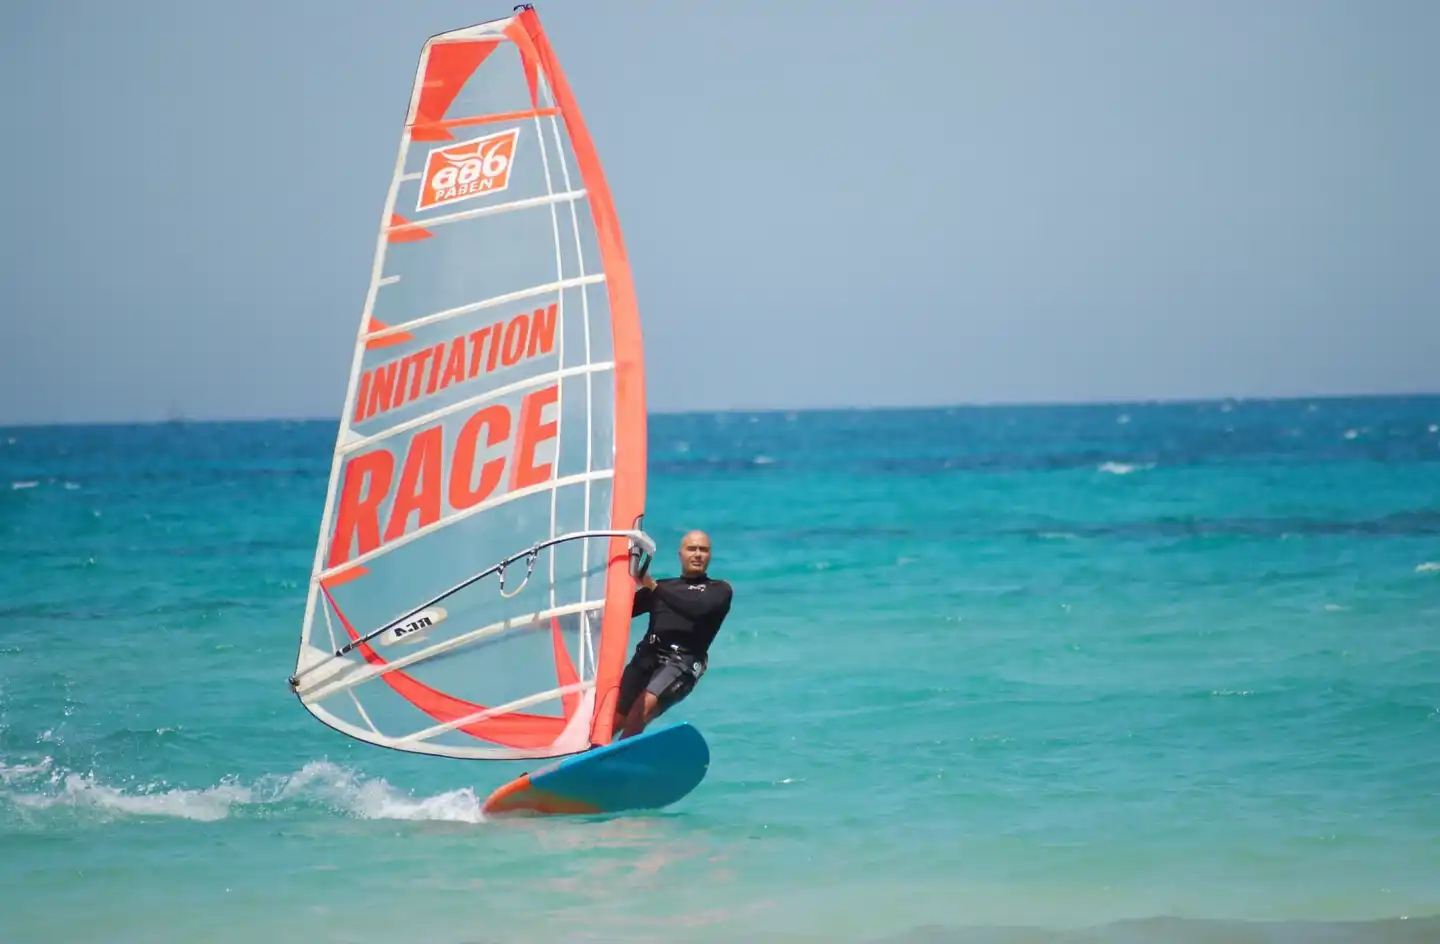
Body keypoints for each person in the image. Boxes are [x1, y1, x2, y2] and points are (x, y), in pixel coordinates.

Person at [611, 529, 732, 739]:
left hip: (682, 662)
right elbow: (618, 613)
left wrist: (653, 587)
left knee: (641, 709)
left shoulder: (719, 590)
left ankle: (617, 756)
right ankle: (585, 756)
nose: (697, 554)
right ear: (680, 554)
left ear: (710, 555)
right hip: (647, 656)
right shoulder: (663, 587)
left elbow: (696, 609)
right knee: (613, 718)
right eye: (691, 549)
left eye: (703, 550)